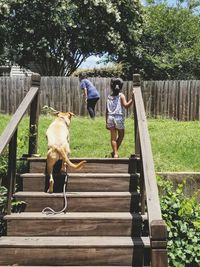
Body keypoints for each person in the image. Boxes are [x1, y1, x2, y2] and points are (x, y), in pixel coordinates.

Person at [106, 77, 133, 158]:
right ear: (121, 86)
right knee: (121, 135)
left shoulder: (109, 97)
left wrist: (106, 122)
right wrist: (132, 98)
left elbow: (106, 111)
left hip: (110, 118)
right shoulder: (121, 96)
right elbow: (126, 106)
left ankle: (115, 153)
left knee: (113, 138)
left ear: (111, 86)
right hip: (118, 118)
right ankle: (115, 153)